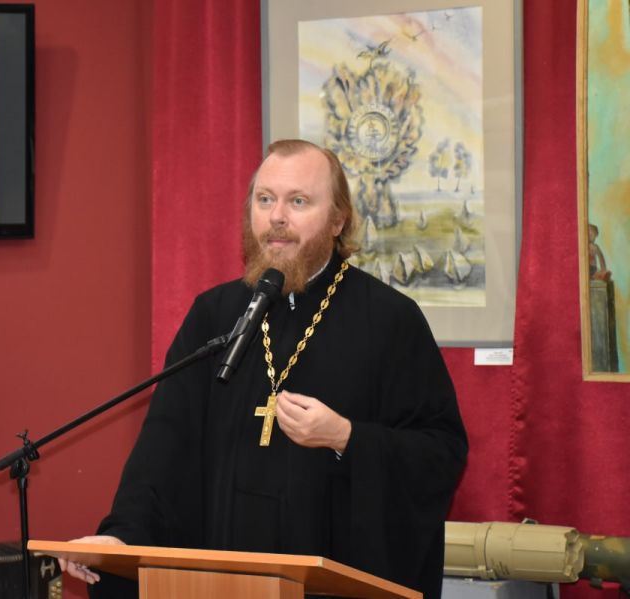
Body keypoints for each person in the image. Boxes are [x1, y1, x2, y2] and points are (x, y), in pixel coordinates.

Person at [60, 139, 468, 599]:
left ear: (338, 221)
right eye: (265, 199)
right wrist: (122, 537)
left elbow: (440, 453)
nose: (277, 217)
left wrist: (346, 437)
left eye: (298, 202)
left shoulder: (390, 320)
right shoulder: (215, 315)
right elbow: (165, 448)